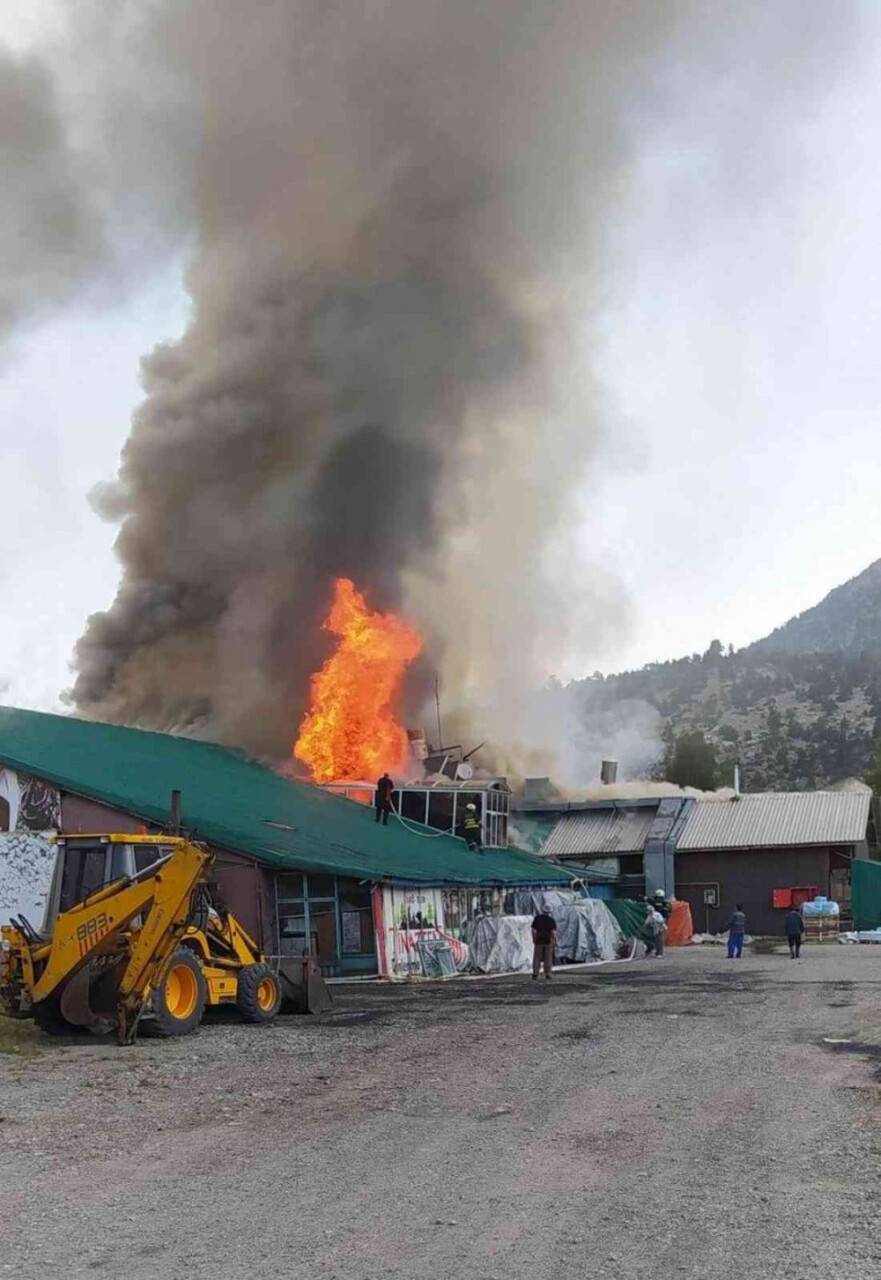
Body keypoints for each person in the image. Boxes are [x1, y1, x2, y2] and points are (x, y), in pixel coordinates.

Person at [531, 910, 557, 980]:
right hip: (548, 941)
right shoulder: (551, 920)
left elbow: (533, 930)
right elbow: (553, 932)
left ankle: (535, 973)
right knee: (548, 958)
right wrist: (554, 940)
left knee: (537, 957)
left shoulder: (537, 919)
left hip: (538, 940)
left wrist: (534, 938)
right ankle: (548, 973)